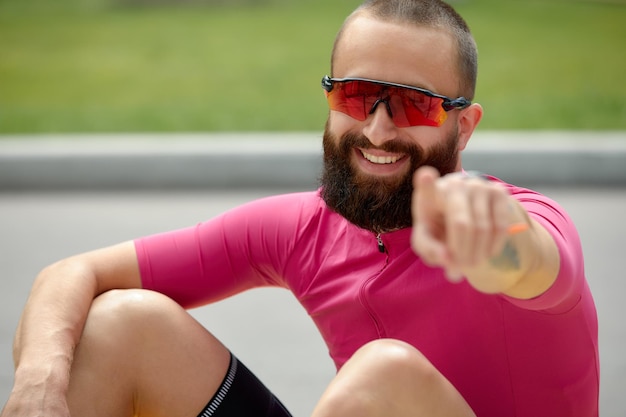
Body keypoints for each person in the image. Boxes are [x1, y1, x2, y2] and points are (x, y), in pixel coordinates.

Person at [1, 0, 599, 416]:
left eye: (415, 106)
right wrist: (38, 385)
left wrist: (500, 249)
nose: (378, 129)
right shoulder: (302, 229)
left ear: (464, 127)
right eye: (357, 95)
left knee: (382, 375)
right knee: (118, 323)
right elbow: (71, 274)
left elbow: (536, 264)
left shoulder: (520, 221)